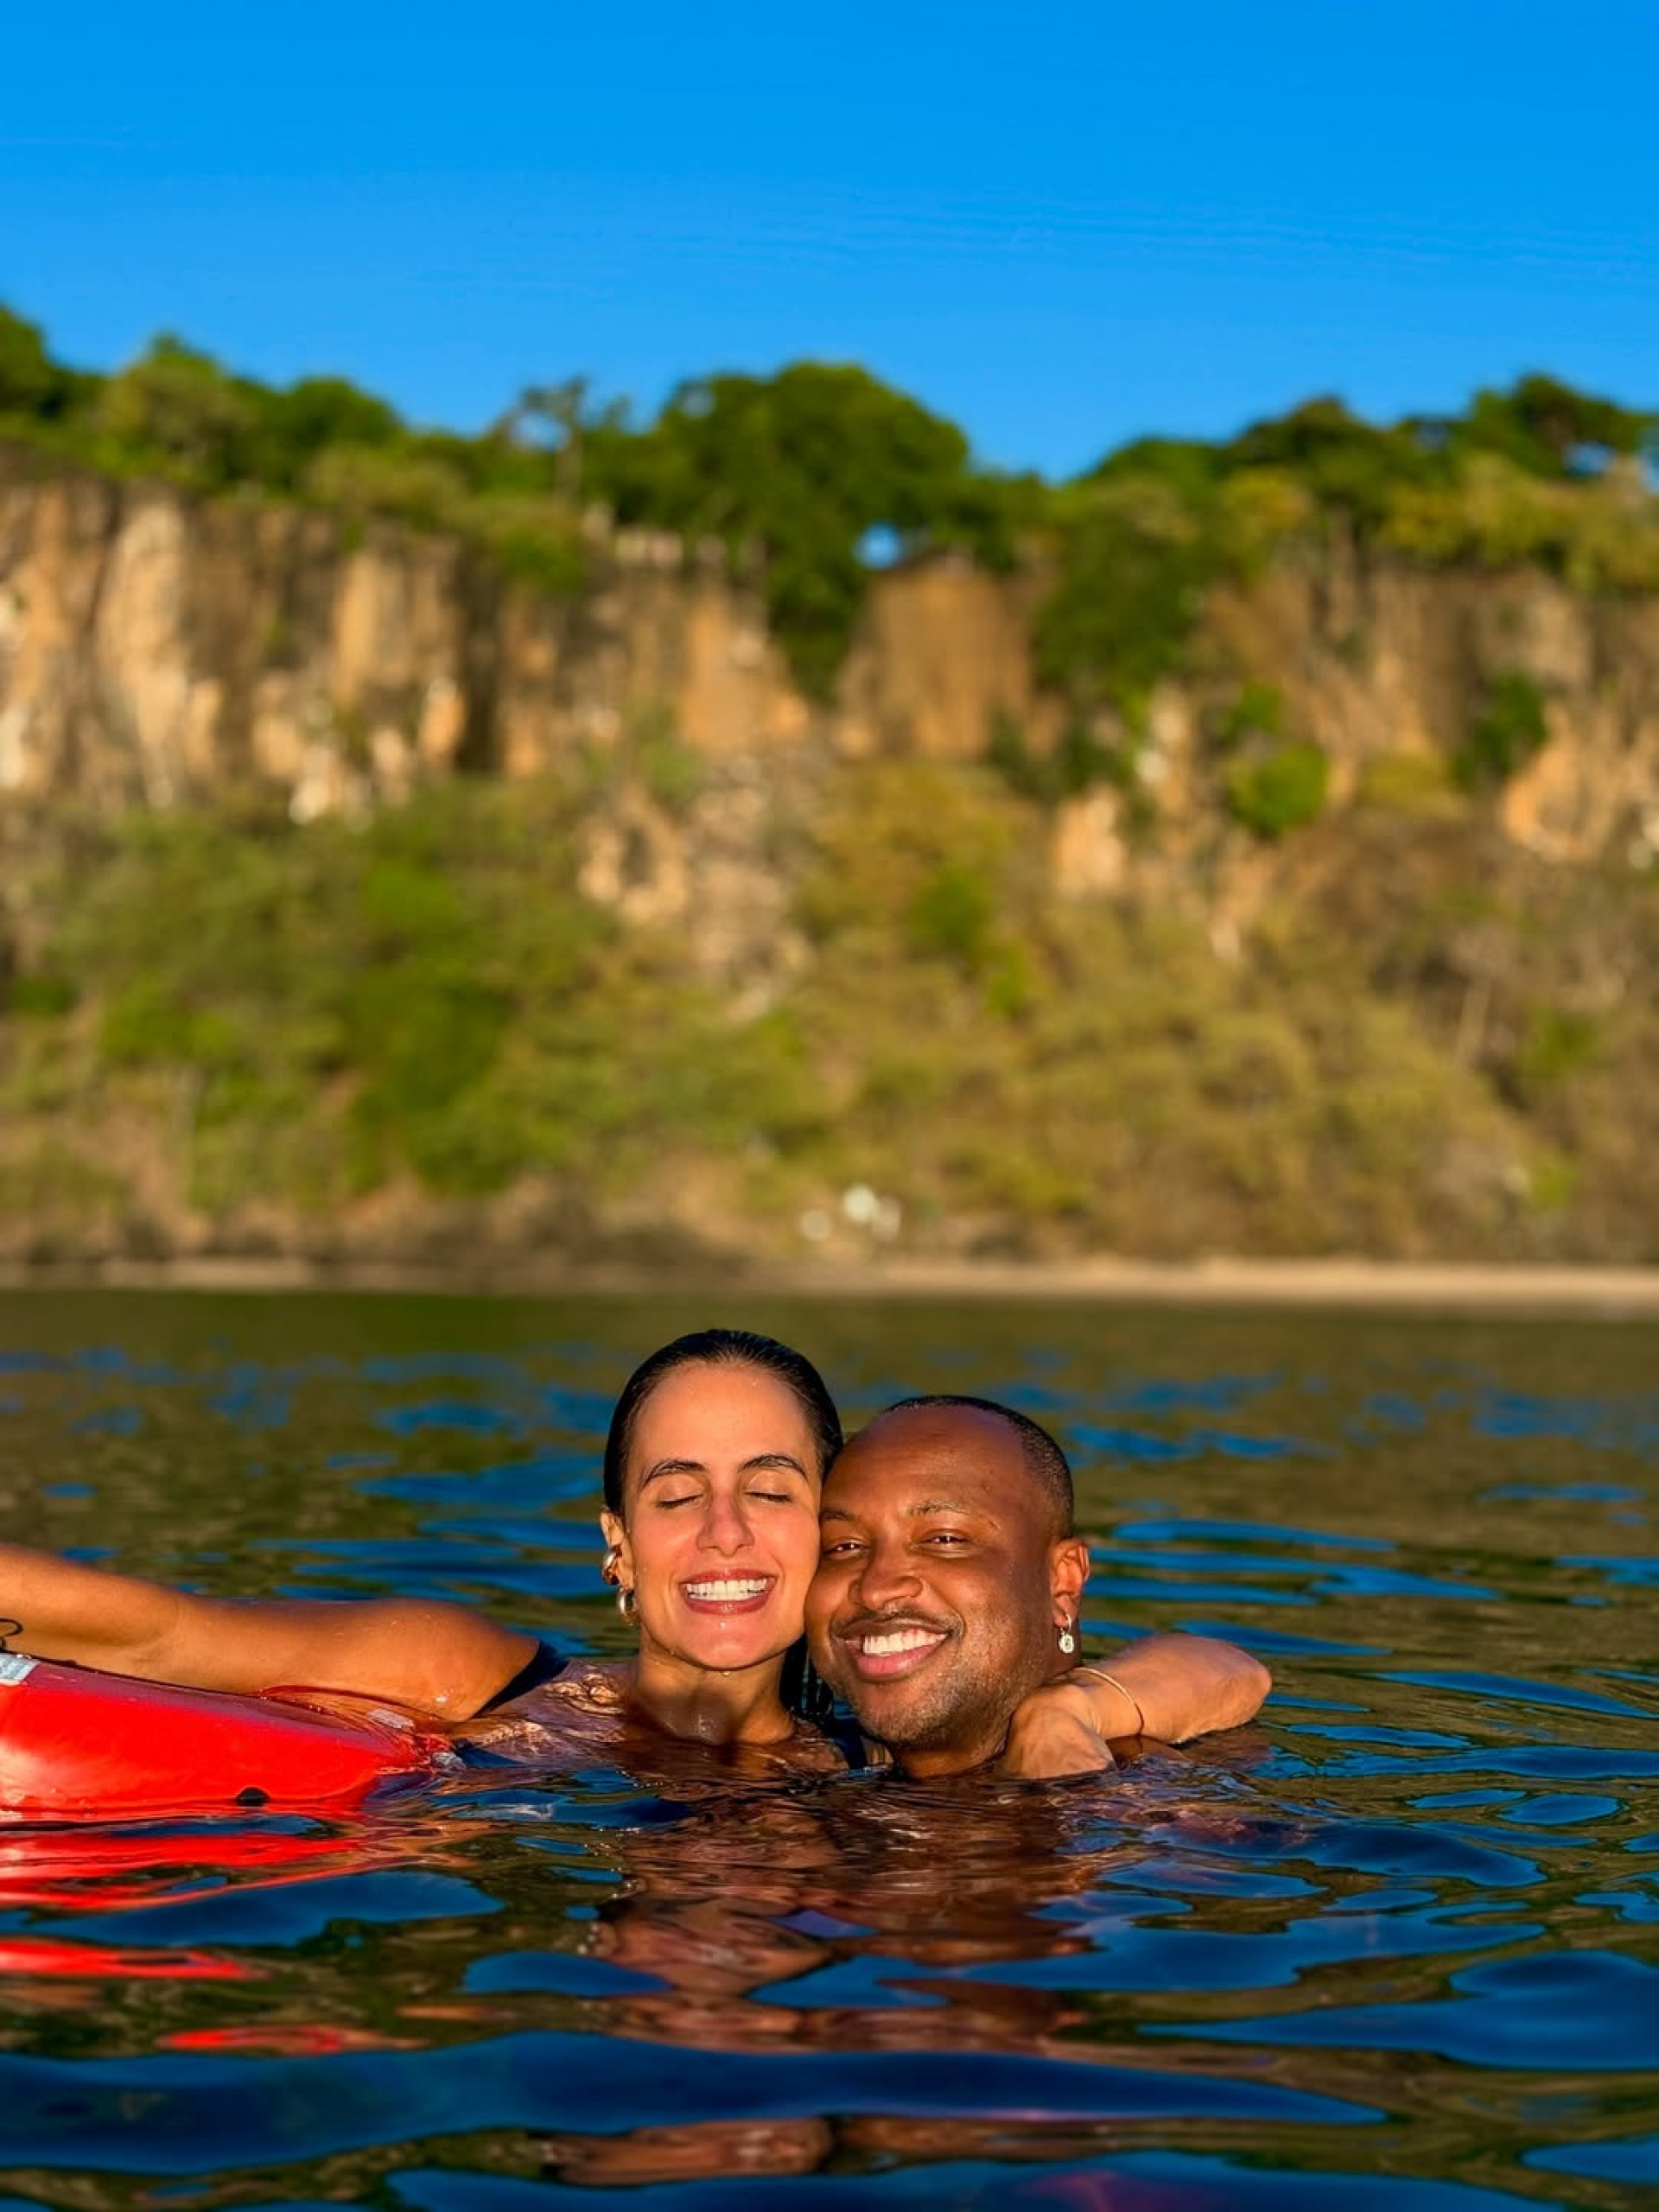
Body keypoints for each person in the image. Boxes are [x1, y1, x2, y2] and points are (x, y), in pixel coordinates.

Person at [0, 1332, 1265, 1777]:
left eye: (771, 1494)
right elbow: (156, 1633)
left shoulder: (885, 1746)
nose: (722, 1535)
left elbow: (1228, 1669)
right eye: (675, 1497)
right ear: (618, 1546)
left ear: (827, 1543)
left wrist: (1080, 1708)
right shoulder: (476, 1682)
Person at [808, 1394, 1271, 1780]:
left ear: (1062, 1581)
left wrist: (1064, 1712)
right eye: (844, 1546)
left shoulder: (1128, 1785)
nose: (876, 1588)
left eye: (945, 1539)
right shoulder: (829, 1762)